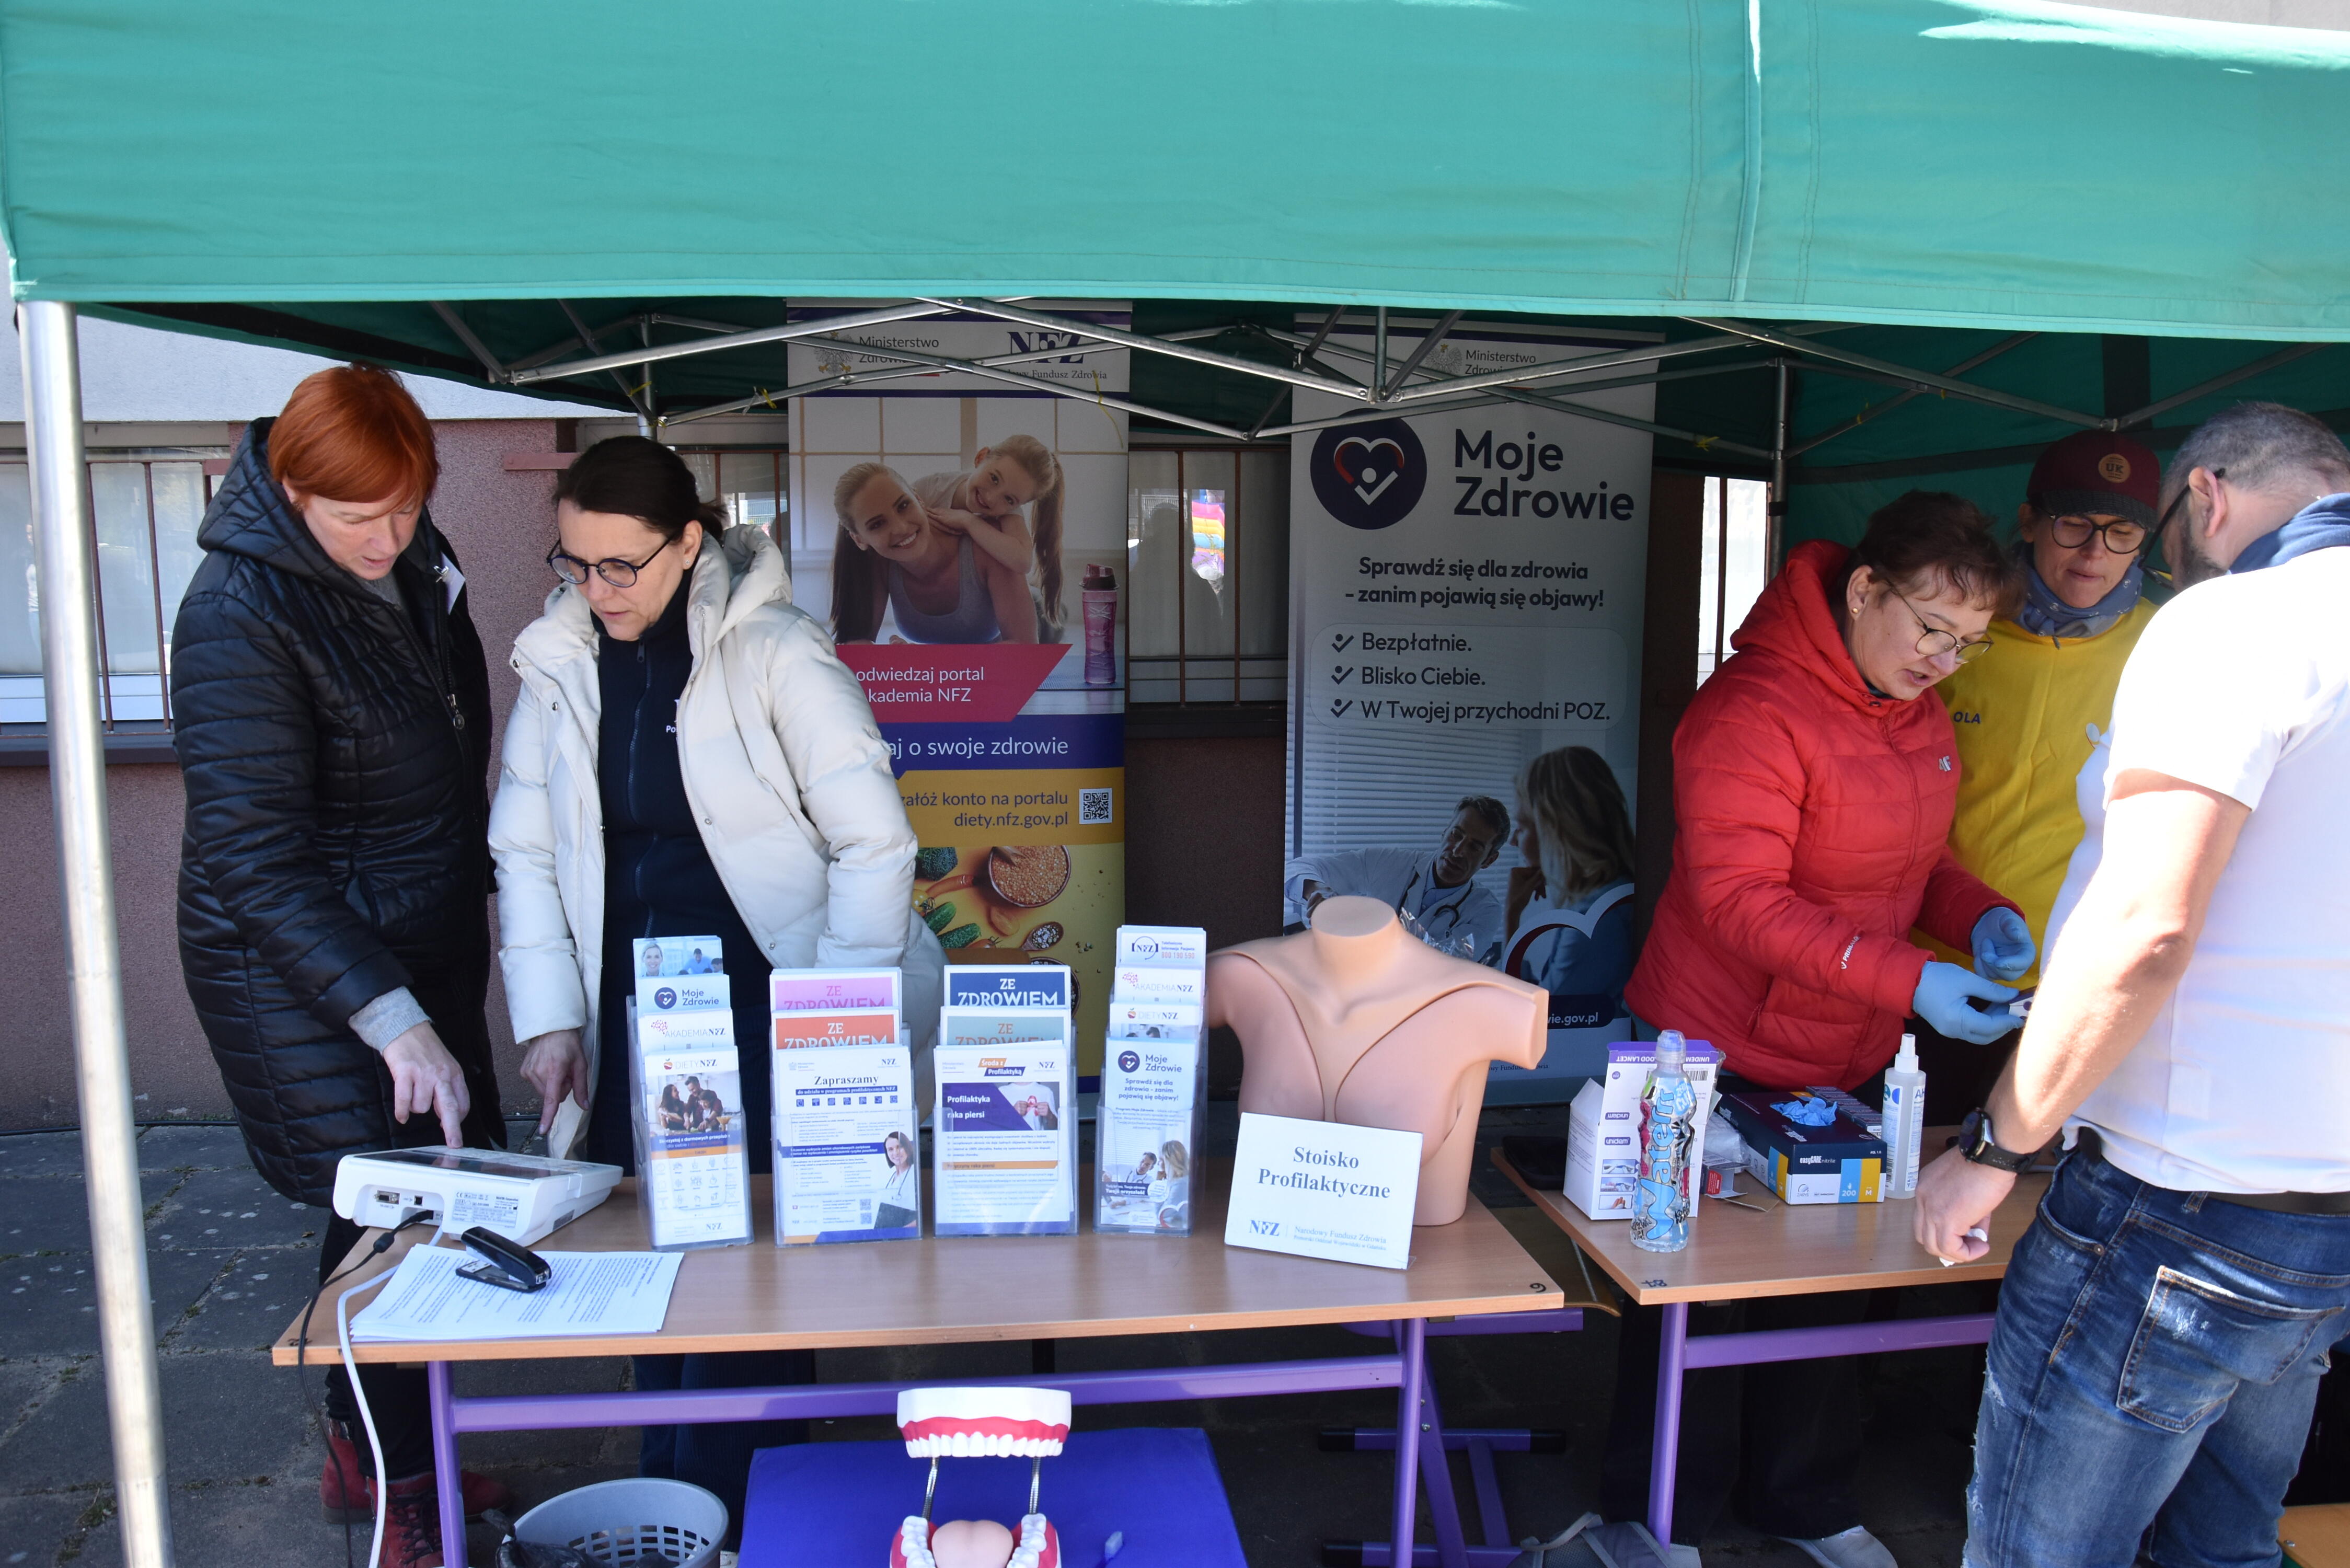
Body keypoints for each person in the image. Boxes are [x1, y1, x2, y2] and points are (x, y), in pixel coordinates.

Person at [1918, 403, 2350, 1568]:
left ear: (2205, 497)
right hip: (2326, 1214)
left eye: (2148, 535)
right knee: (2227, 1550)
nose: (2151, 563)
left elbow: (2145, 929)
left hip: (2177, 1206)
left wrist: (1998, 1147)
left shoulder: (2236, 622)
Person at [490, 436, 946, 1537]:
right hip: (640, 1010)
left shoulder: (776, 650)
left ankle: (749, 1516)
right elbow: (528, 853)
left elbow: (875, 843)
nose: (597, 589)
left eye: (622, 565)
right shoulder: (558, 662)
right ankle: (673, 1505)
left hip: (768, 1002)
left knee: (758, 1279)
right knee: (654, 1260)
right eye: (574, 564)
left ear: (689, 543)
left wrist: (835, 1018)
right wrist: (552, 1022)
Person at [1596, 492, 2032, 1568]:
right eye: (1930, 628)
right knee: (1694, 1288)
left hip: (1848, 1040)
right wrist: (1912, 979)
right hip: (1711, 1045)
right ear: (1864, 589)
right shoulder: (1751, 708)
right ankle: (1663, 1515)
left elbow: (1914, 861)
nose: (1944, 661)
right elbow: (1739, 899)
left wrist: (1977, 916)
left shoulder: (1913, 712)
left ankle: (1805, 1499)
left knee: (1837, 1277)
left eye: (1968, 643)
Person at [169, 363, 511, 1568]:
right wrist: (387, 1014)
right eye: (358, 517)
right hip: (298, 960)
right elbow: (252, 856)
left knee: (424, 1192)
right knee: (384, 1203)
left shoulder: (412, 558)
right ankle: (393, 1482)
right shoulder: (236, 613)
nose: (388, 537)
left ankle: (375, 1449)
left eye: (407, 509)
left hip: (409, 927)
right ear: (292, 489)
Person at [1914, 431, 2162, 1120]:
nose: (2093, 553)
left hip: (2074, 985)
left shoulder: (2167, 647)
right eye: (2073, 524)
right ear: (2028, 521)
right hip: (1927, 969)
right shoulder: (1959, 631)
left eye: (2120, 533)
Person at [1500, 746, 1639, 1028]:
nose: (1513, 841)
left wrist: (1511, 915)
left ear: (1556, 831)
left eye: (1522, 827)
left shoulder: (1596, 922)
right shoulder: (1607, 898)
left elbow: (1534, 1023)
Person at [830, 462, 1038, 644]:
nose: (901, 528)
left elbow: (1026, 651)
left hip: (1026, 639)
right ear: (859, 539)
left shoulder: (989, 547)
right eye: (877, 525)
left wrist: (924, 663)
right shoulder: (878, 563)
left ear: (919, 498)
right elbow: (856, 648)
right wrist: (898, 662)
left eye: (903, 506)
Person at [1281, 797, 1511, 961]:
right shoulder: (1388, 862)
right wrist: (1318, 891)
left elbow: (1448, 964)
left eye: (1475, 847)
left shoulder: (1485, 910)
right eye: (1456, 835)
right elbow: (1295, 868)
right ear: (1445, 832)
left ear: (1489, 860)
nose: (1458, 851)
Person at [911, 434, 1067, 627]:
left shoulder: (1009, 514)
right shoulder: (931, 489)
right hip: (946, 607)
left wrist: (969, 522)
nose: (991, 498)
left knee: (1043, 617)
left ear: (1020, 504)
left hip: (1005, 613)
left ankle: (1056, 615)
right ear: (981, 457)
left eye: (1009, 499)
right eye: (994, 479)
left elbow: (1023, 561)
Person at [877, 1131, 919, 1230]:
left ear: (907, 1148)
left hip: (903, 1232)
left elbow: (920, 1218)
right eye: (890, 1149)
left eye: (899, 1147)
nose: (895, 1153)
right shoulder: (891, 1176)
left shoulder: (914, 1173)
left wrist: (900, 1232)